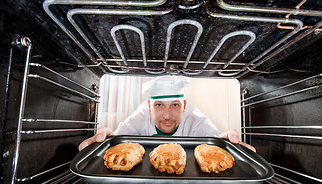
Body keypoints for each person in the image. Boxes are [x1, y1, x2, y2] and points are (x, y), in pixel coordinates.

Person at [78, 75, 256, 152]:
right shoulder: (141, 114)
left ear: (184, 105)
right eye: (159, 105)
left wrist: (229, 144)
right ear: (149, 105)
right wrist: (105, 140)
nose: (167, 115)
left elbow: (216, 140)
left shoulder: (195, 119)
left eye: (175, 105)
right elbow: (119, 138)